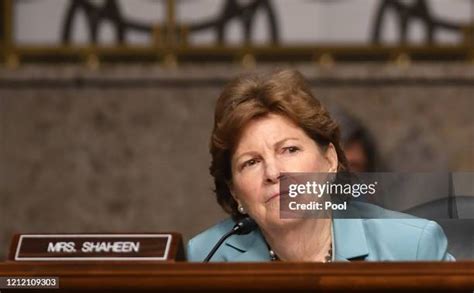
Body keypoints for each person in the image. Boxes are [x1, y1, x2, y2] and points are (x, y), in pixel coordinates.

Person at [187, 69, 454, 262]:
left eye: (289, 150)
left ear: (329, 160)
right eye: (252, 162)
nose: (273, 172)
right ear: (234, 191)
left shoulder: (412, 247)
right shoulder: (205, 257)